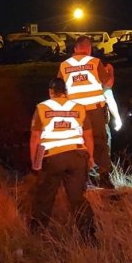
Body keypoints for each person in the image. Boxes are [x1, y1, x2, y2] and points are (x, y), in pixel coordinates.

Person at [29, 77, 97, 243]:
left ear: (51, 92)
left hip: (53, 158)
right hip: (76, 156)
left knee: (45, 197)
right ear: (66, 92)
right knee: (77, 198)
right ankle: (89, 237)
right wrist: (91, 157)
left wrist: (35, 163)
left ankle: (36, 234)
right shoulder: (79, 108)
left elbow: (35, 138)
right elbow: (88, 135)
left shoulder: (42, 107)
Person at [57, 36, 114, 189]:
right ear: (89, 48)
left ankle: (81, 180)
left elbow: (59, 91)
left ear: (75, 48)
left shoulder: (64, 65)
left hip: (75, 114)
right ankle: (104, 179)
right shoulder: (94, 62)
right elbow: (108, 84)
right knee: (100, 143)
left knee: (78, 146)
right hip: (94, 111)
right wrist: (111, 71)